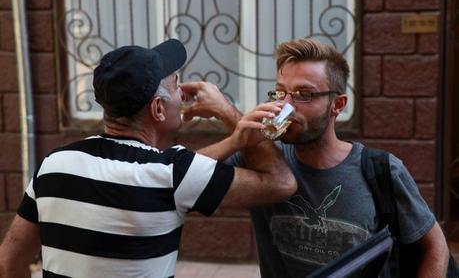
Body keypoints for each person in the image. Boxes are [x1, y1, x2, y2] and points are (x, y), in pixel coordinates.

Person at [0, 39, 297, 278]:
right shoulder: (172, 174)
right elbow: (280, 183)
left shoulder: (54, 164)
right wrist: (227, 112)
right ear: (157, 109)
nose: (182, 93)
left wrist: (233, 142)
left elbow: (9, 262)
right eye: (176, 85)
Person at [180, 37, 450, 277]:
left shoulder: (381, 170)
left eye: (304, 95)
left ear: (338, 105)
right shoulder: (264, 162)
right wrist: (233, 133)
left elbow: (435, 248)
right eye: (281, 92)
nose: (286, 106)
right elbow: (179, 182)